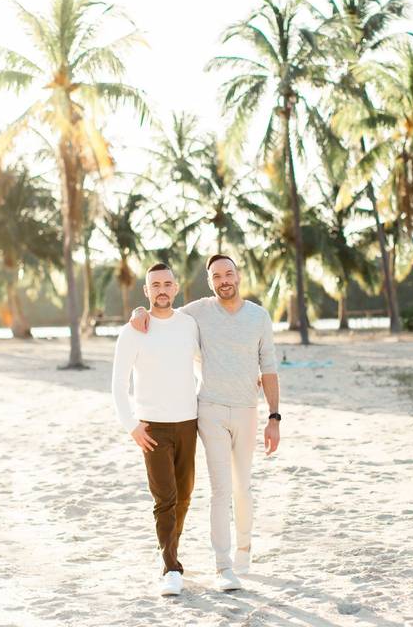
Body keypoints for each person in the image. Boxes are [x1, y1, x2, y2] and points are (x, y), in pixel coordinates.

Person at [131, 254, 280, 592]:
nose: (224, 280)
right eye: (217, 276)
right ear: (210, 281)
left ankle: (244, 550)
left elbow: (268, 367)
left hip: (246, 410)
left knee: (243, 487)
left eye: (229, 274)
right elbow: (162, 312)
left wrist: (274, 416)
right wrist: (138, 312)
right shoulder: (197, 312)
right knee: (220, 489)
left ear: (238, 276)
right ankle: (223, 565)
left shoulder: (259, 317)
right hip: (209, 410)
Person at [112, 263, 201, 597]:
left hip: (188, 422)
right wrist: (131, 426)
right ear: (146, 292)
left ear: (176, 288)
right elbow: (118, 385)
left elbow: (202, 362)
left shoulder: (189, 325)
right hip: (152, 427)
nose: (161, 290)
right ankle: (171, 567)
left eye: (167, 284)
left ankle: (170, 549)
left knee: (185, 495)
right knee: (165, 498)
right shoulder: (133, 330)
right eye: (155, 285)